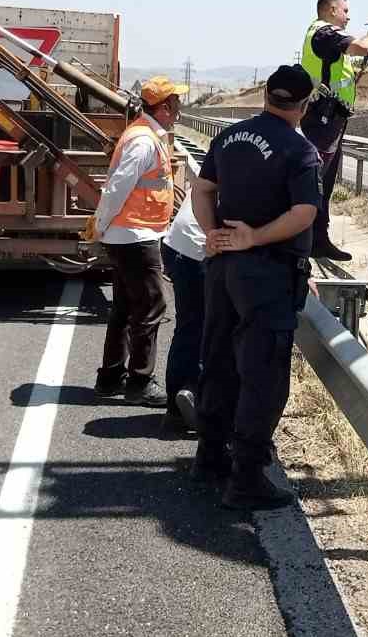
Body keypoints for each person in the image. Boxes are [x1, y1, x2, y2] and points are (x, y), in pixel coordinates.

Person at [190, 64, 322, 510]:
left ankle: (209, 455)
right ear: (304, 105)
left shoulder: (228, 137)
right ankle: (246, 477)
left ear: (266, 95)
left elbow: (202, 189)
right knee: (262, 374)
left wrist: (212, 234)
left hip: (222, 268)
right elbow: (304, 213)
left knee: (220, 358)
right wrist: (256, 237)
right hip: (266, 273)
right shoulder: (299, 149)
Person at [92, 75, 187, 407]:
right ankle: (140, 382)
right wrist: (100, 224)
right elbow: (117, 186)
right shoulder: (144, 141)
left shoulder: (147, 135)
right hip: (134, 235)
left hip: (130, 233)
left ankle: (110, 377)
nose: (179, 109)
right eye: (175, 103)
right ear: (162, 108)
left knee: (124, 306)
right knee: (150, 306)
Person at [299, 0, 368, 260]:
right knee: (314, 182)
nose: (349, 16)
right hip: (322, 119)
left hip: (330, 118)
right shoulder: (325, 33)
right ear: (331, 10)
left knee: (323, 184)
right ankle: (302, 242)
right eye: (345, 10)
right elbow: (362, 48)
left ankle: (317, 240)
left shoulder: (323, 35)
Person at [161, 189, 206, 436]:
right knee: (212, 329)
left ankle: (175, 409)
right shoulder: (262, 161)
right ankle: (193, 394)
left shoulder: (228, 151)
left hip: (177, 244)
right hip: (199, 249)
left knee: (188, 327)